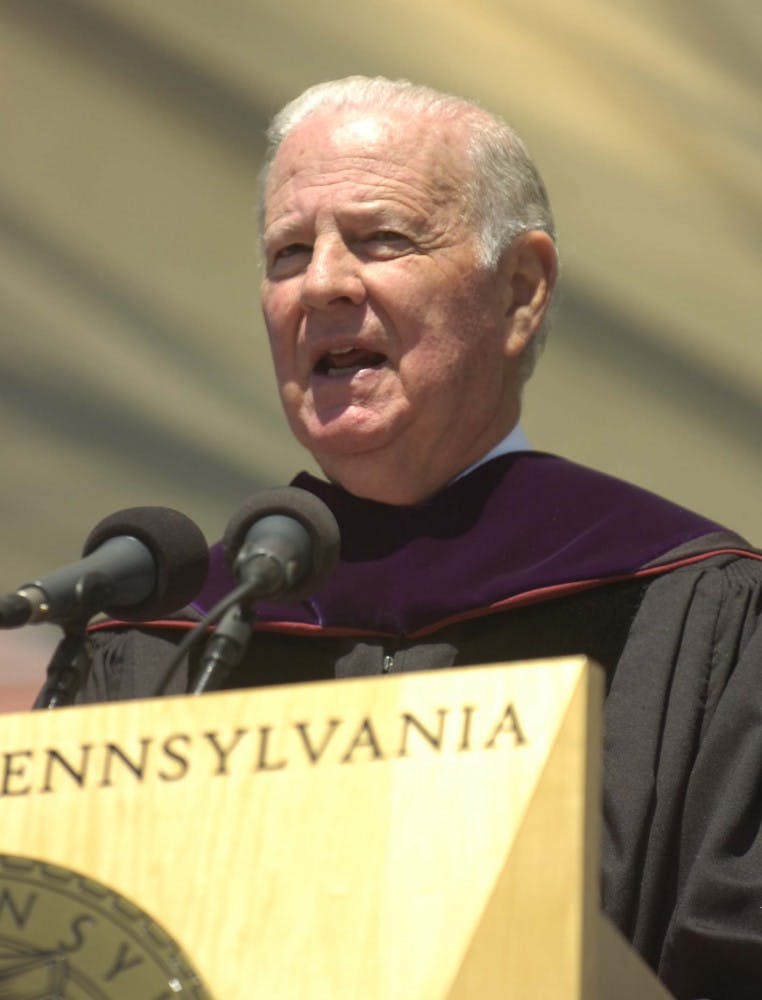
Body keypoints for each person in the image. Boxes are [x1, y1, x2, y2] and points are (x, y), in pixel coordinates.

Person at [47, 77, 762, 998]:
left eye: (382, 239)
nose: (324, 282)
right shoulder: (159, 642)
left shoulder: (694, 613)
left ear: (521, 290)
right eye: (287, 253)